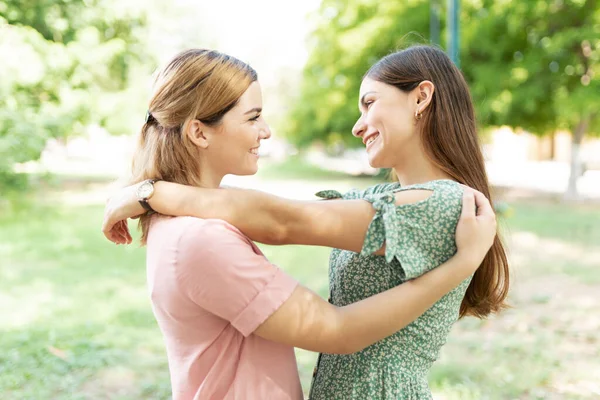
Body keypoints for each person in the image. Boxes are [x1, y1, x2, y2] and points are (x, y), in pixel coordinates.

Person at [102, 47, 503, 400]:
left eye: (369, 103)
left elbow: (283, 223)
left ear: (421, 97)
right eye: (253, 117)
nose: (357, 125)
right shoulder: (377, 201)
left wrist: (151, 193)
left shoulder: (448, 205)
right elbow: (274, 220)